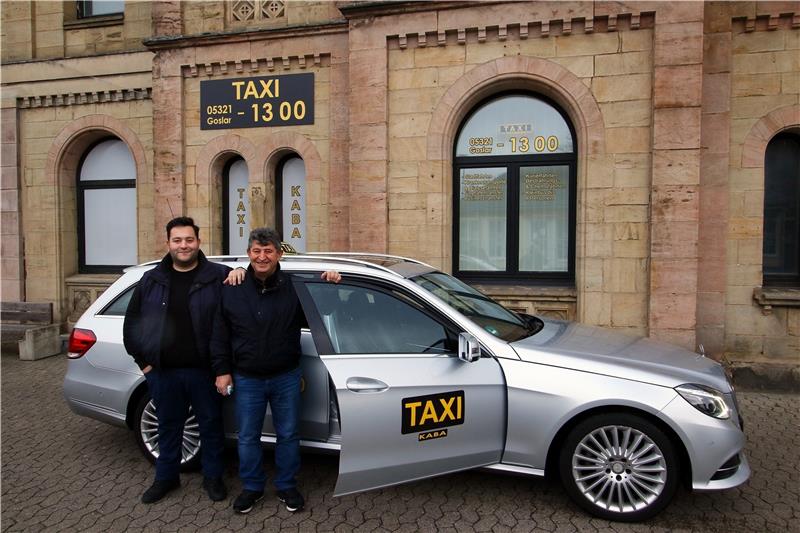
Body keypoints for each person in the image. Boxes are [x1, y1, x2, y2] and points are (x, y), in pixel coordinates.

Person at [211, 227, 340, 514]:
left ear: (279, 254)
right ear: (249, 254)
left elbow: (324, 314)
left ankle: (286, 485)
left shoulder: (294, 287)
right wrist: (222, 371)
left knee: (289, 434)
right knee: (247, 436)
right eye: (256, 251)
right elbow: (219, 334)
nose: (262, 256)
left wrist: (330, 283)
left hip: (286, 377)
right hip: (247, 378)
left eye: (268, 250)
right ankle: (252, 487)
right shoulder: (232, 288)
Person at [123, 216, 245, 504]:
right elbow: (132, 325)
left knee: (211, 427)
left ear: (198, 242)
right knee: (167, 426)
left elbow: (252, 292)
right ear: (168, 244)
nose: (184, 245)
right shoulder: (151, 280)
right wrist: (145, 364)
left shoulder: (219, 276)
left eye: (189, 239)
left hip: (205, 371)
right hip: (163, 372)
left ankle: (213, 478)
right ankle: (166, 478)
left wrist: (241, 269)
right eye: (177, 240)